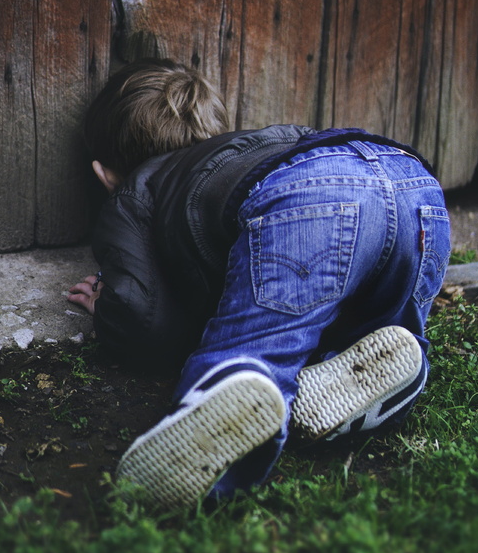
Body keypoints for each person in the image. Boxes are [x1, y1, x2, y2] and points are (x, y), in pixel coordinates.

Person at [68, 58, 450, 508]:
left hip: (308, 197)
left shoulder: (135, 190)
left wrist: (107, 310)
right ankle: (384, 356)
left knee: (257, 347)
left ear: (104, 175)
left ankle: (245, 376)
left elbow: (142, 319)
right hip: (412, 183)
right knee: (340, 309)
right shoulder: (251, 147)